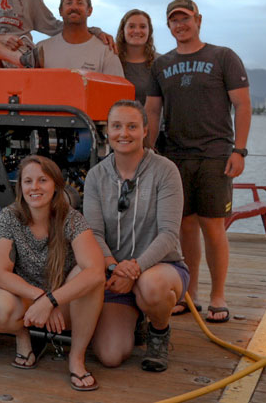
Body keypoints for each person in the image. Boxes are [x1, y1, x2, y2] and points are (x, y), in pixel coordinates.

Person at [145, 0, 251, 324]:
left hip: (215, 153)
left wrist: (240, 150)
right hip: (174, 155)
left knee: (213, 226)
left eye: (186, 19)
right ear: (169, 26)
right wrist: (148, 153)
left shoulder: (222, 57)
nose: (181, 25)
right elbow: (152, 110)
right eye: (174, 21)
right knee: (184, 226)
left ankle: (218, 295)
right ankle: (189, 293)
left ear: (198, 20)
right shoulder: (161, 64)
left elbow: (243, 105)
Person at [0, 155, 104, 391]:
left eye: (42, 180)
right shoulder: (9, 217)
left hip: (66, 304)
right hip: (29, 302)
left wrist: (53, 300)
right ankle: (24, 336)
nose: (35, 187)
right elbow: (1, 274)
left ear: (56, 186)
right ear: (20, 187)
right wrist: (41, 298)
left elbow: (96, 272)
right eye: (28, 181)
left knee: (87, 275)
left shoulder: (71, 219)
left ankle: (76, 359)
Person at [84, 100, 187, 372]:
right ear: (107, 132)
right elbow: (93, 232)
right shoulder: (95, 176)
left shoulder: (165, 171)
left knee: (152, 288)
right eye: (116, 126)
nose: (124, 133)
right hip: (115, 273)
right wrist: (114, 267)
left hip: (159, 268)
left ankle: (159, 331)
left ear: (145, 130)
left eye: (132, 126)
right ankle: (136, 320)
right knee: (110, 355)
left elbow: (168, 233)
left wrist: (136, 268)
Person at [38, 0, 124, 77]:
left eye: (80, 3)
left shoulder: (106, 51)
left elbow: (118, 89)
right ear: (60, 11)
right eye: (69, 3)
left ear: (89, 11)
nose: (74, 7)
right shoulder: (41, 49)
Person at [116, 9, 159, 104]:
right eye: (131, 26)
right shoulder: (112, 60)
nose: (137, 31)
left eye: (143, 27)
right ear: (123, 30)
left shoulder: (160, 62)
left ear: (149, 31)